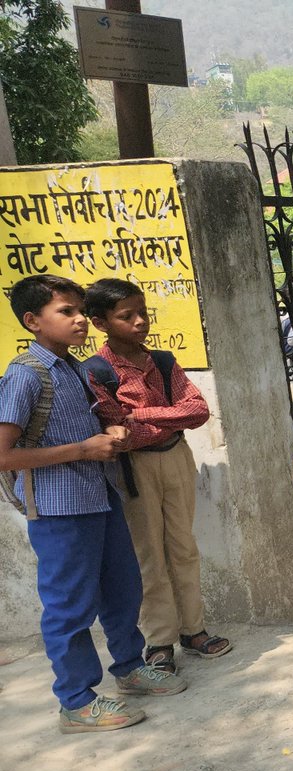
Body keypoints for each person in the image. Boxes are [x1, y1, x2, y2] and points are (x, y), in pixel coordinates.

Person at [0, 274, 186, 734]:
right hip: (59, 508)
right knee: (70, 605)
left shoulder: (75, 368)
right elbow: (3, 454)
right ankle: (76, 700)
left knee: (122, 588)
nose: (80, 320)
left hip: (101, 495)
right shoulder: (26, 374)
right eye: (66, 312)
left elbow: (93, 424)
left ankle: (129, 668)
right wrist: (83, 449)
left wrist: (111, 433)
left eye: (81, 311)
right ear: (32, 321)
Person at [83, 278, 230, 675]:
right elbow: (123, 434)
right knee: (148, 555)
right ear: (100, 323)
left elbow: (197, 411)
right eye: (126, 316)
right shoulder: (96, 372)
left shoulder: (163, 362)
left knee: (184, 546)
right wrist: (159, 420)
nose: (140, 322)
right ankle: (160, 640)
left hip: (176, 457)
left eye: (142, 312)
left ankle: (194, 629)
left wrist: (142, 414)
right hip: (134, 468)